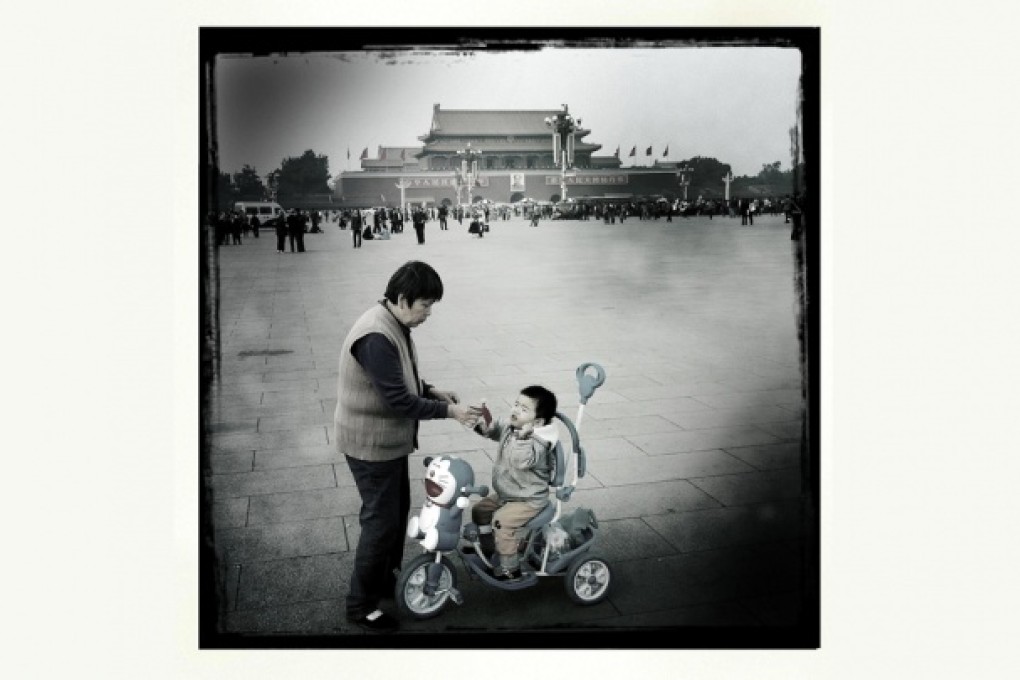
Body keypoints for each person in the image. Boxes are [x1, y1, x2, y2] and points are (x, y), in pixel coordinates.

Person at [335, 261, 481, 633]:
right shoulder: (375, 335)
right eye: (425, 305)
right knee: (381, 524)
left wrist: (431, 390)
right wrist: (450, 410)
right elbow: (398, 399)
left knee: (393, 516)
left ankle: (384, 581)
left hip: (386, 442)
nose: (428, 314)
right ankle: (361, 606)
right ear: (402, 299)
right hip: (371, 445)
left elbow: (399, 378)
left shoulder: (392, 321)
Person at [470, 385, 558, 580]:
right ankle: (490, 547)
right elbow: (496, 430)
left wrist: (524, 437)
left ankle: (511, 568)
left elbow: (521, 460)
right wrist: (484, 424)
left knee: (502, 521)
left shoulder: (537, 443)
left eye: (524, 409)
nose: (516, 410)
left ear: (538, 422)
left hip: (529, 499)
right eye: (516, 404)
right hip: (508, 494)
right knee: (479, 511)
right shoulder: (513, 427)